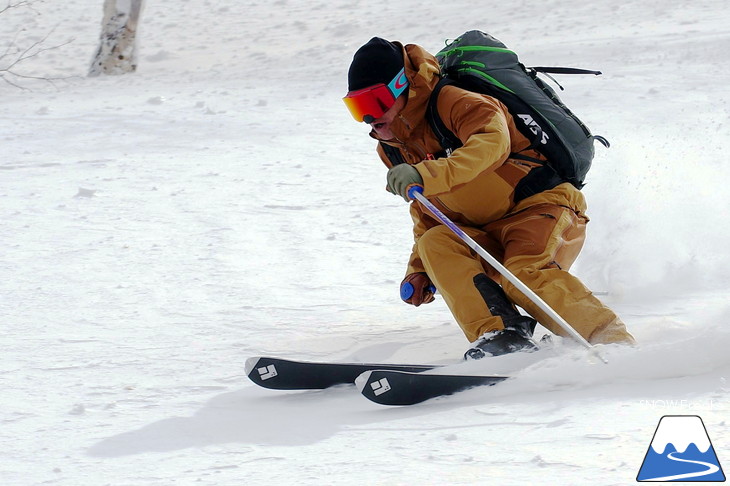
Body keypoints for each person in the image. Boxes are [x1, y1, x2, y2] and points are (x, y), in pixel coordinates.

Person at [343, 37, 635, 359]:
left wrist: (426, 173)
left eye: (375, 102)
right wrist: (420, 268)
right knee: (435, 243)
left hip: (540, 207)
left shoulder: (456, 102)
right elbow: (427, 208)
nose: (369, 118)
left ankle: (612, 341)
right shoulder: (392, 147)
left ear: (404, 86)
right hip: (481, 232)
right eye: (358, 108)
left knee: (523, 274)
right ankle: (502, 337)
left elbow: (491, 146)